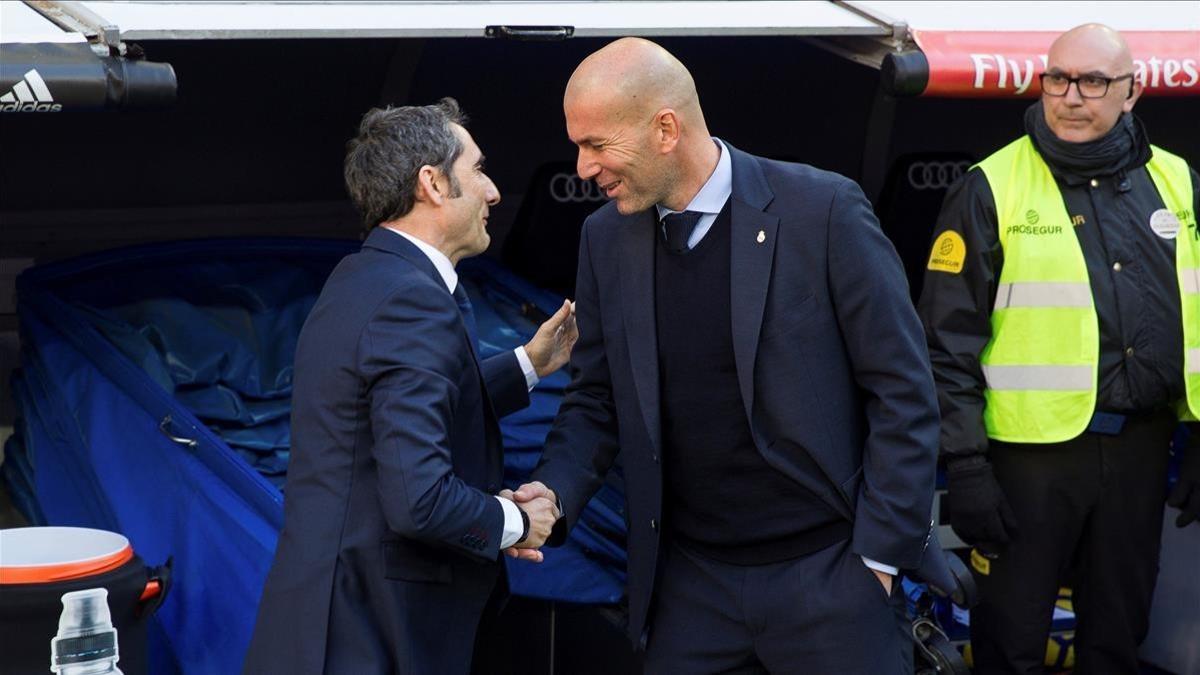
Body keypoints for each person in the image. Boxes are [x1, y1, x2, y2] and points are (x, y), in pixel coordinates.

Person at [513, 38, 940, 673]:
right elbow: (596, 400)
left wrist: (875, 564)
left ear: (665, 129)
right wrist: (554, 491)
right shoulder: (604, 237)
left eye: (597, 145)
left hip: (830, 578)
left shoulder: (822, 210)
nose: (581, 168)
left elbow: (903, 390)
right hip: (691, 589)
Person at [243, 99, 577, 675]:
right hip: (371, 632)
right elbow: (419, 500)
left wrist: (527, 363)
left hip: (331, 621)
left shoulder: (366, 275)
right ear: (432, 184)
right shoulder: (412, 299)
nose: (494, 192)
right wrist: (519, 523)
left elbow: (385, 415)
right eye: (477, 170)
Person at [917, 23, 1200, 674]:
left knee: (1118, 639)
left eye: (1093, 81)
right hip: (1028, 466)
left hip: (1140, 447)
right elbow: (944, 342)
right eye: (1057, 79)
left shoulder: (1179, 182)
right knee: (1009, 643)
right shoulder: (990, 185)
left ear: (1132, 92)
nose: (1071, 96)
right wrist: (964, 465)